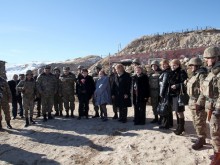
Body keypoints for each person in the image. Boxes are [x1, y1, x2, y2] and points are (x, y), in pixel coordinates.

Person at [196, 46, 220, 164]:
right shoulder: (212, 72)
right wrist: (200, 103)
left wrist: (218, 110)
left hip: (217, 108)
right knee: (214, 132)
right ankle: (216, 153)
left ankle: (218, 157)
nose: (205, 60)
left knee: (216, 133)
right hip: (210, 106)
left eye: (208, 58)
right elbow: (205, 90)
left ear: (215, 58)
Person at [187, 57, 208, 150]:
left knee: (200, 122)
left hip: (198, 103)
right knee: (195, 122)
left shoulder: (201, 75)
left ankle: (201, 139)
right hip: (192, 101)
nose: (191, 67)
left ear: (197, 65)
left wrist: (199, 103)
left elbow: (204, 90)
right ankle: (200, 138)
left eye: (192, 65)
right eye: (190, 65)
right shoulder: (195, 75)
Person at [169, 59, 188, 135]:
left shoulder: (182, 72)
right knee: (177, 111)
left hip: (179, 94)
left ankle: (181, 128)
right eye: (172, 65)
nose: (173, 67)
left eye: (174, 65)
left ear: (178, 65)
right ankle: (179, 126)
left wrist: (176, 86)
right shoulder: (172, 72)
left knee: (180, 112)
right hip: (174, 95)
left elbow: (185, 83)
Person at [158, 59, 172, 129]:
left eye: (164, 64)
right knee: (167, 108)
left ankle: (165, 124)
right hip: (167, 92)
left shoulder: (166, 73)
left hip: (165, 92)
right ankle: (169, 123)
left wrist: (161, 93)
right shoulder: (166, 72)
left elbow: (164, 84)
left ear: (167, 64)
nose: (163, 65)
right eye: (162, 64)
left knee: (165, 108)